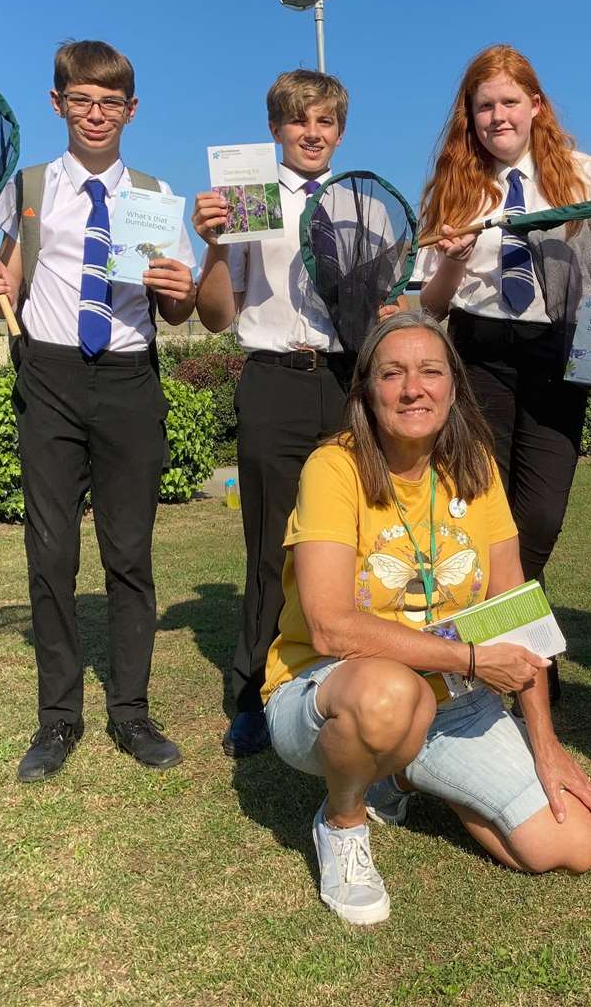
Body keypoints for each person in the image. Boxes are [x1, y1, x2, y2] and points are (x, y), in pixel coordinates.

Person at [263, 310, 591, 925]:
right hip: (328, 688)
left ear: (454, 384)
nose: (412, 388)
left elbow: (514, 609)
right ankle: (343, 823)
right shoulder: (333, 468)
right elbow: (331, 626)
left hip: (453, 702)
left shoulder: (475, 465)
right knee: (389, 692)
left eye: (430, 371)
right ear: (367, 390)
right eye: (392, 373)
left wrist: (546, 746)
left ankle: (402, 776)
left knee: (573, 846)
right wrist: (470, 658)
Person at [0, 40, 198, 781]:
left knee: (129, 555)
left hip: (131, 378)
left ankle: (131, 713)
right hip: (50, 375)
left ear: (131, 111)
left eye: (110, 102)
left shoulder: (157, 197)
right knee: (52, 555)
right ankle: (57, 720)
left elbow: (176, 310)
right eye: (81, 100)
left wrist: (179, 289)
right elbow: (10, 275)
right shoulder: (29, 185)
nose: (95, 114)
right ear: (58, 104)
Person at [416, 44, 591, 701]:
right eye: (484, 105)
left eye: (510, 101)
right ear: (471, 114)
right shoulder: (452, 185)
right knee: (487, 515)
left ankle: (493, 645)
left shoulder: (579, 173)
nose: (498, 116)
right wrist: (454, 259)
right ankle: (528, 667)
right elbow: (431, 305)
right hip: (477, 353)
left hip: (557, 351)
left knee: (538, 517)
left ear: (535, 105)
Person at [192, 70, 397, 758]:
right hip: (274, 379)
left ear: (341, 130)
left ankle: (345, 670)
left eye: (326, 122)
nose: (313, 134)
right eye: (299, 121)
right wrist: (216, 245)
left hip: (345, 381)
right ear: (277, 128)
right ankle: (255, 691)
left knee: (351, 538)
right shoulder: (247, 199)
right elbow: (217, 316)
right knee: (270, 544)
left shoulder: (364, 205)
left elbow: (379, 310)